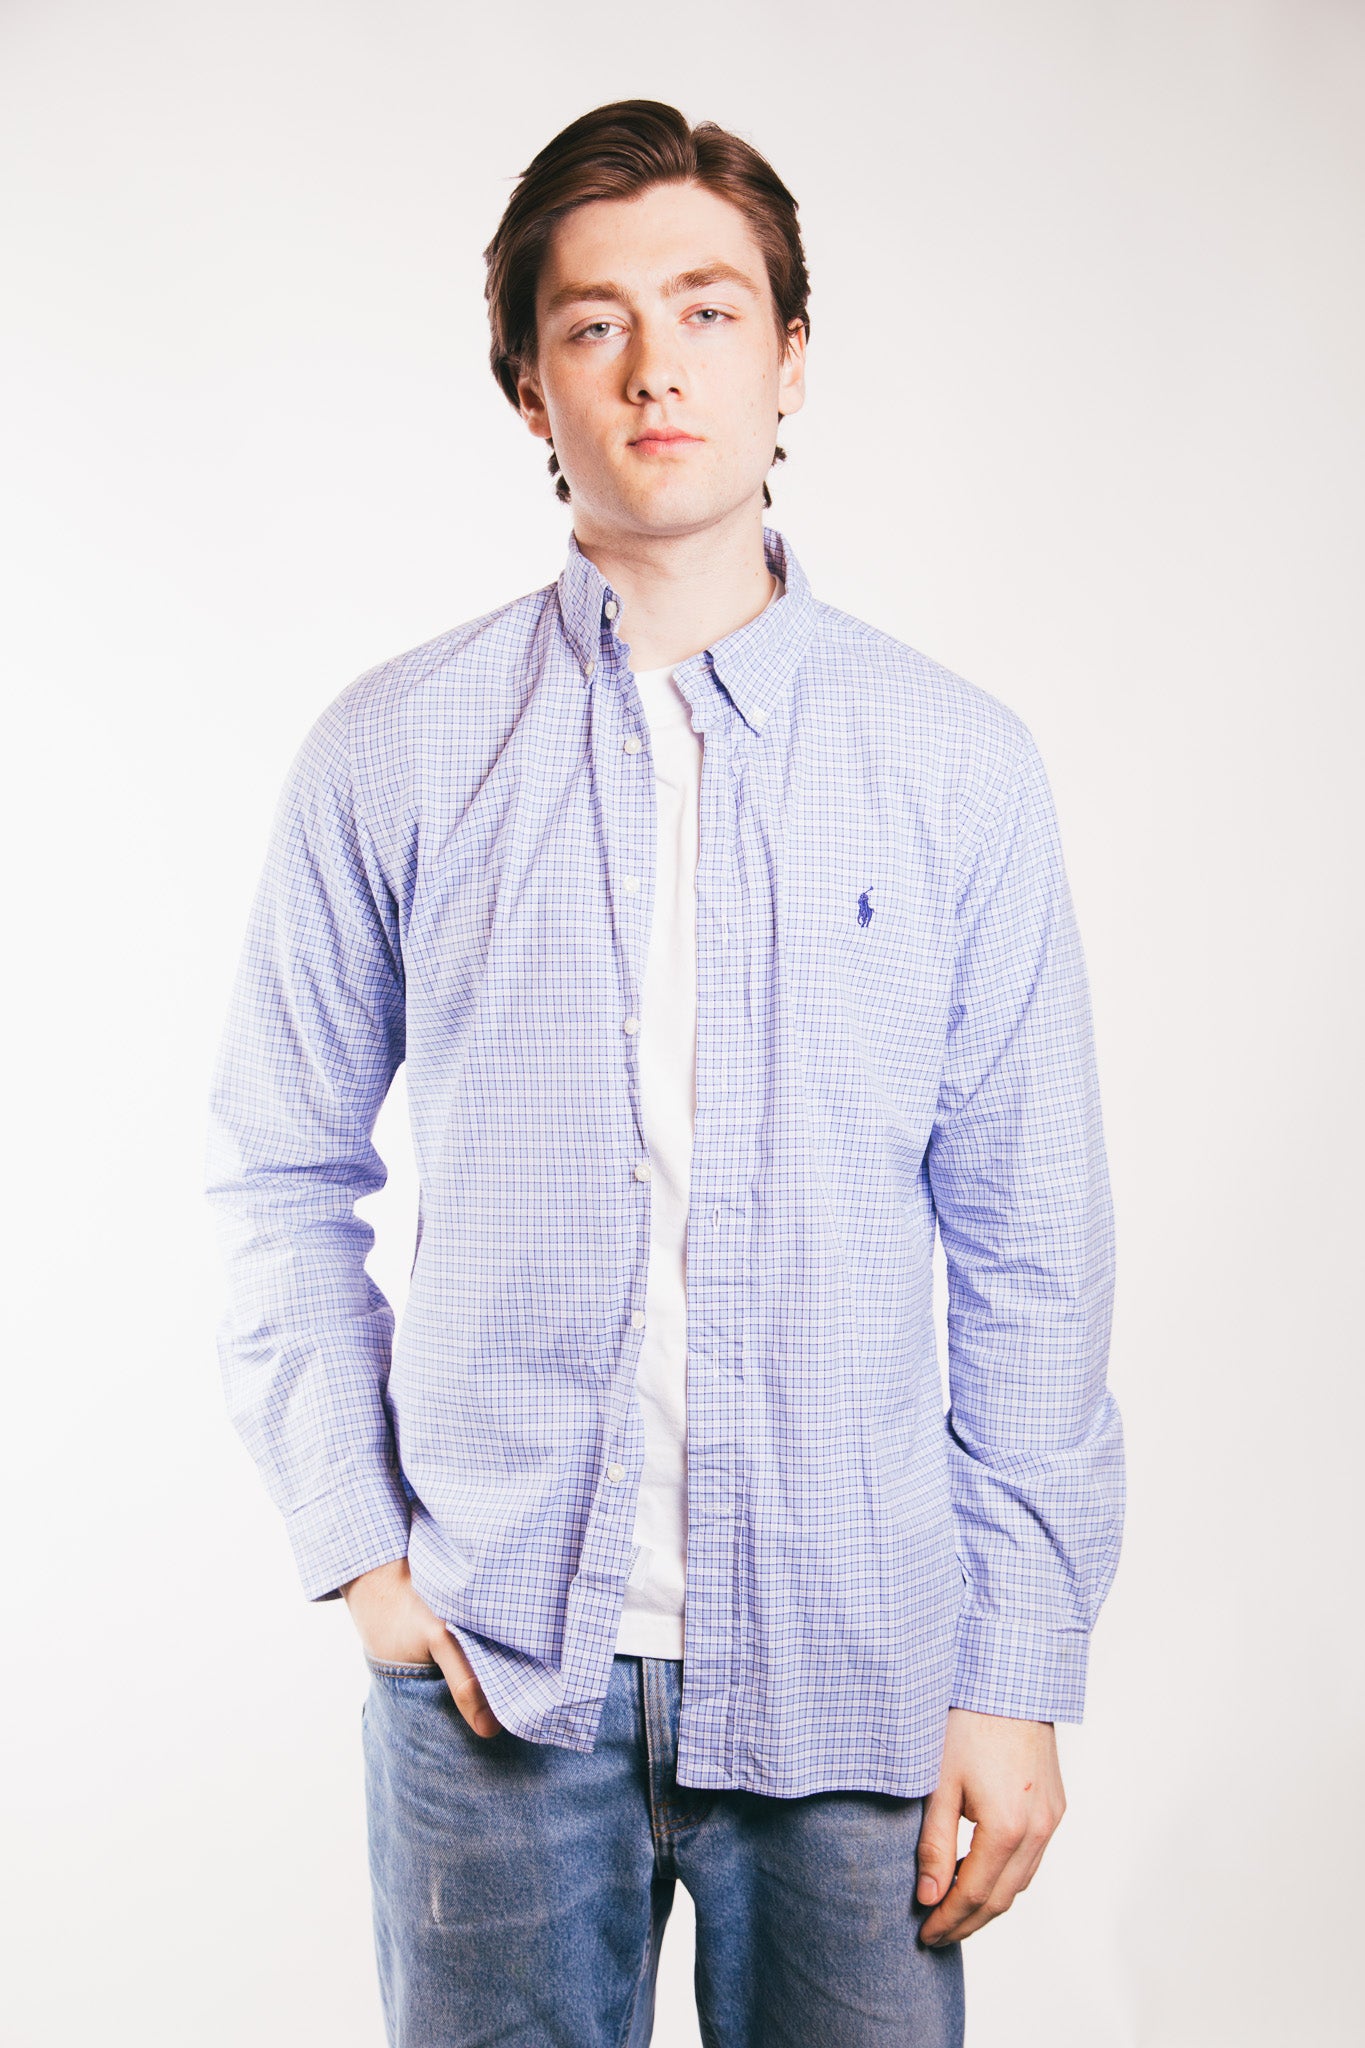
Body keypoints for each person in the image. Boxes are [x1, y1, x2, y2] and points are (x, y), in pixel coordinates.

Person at [206, 97, 1124, 2048]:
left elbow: (1030, 1247)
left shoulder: (954, 765)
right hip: (493, 1683)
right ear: (525, 385)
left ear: (788, 355)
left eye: (706, 310)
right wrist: (361, 1555)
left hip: (860, 1677)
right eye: (591, 322)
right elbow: (279, 1168)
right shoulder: (393, 750)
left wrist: (1016, 1667)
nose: (653, 368)